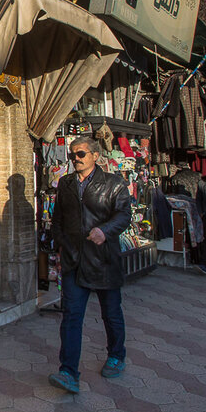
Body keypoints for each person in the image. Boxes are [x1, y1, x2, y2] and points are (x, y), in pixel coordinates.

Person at [48, 137, 132, 394]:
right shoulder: (66, 183)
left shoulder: (114, 184)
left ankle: (116, 355)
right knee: (72, 316)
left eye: (81, 154)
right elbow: (59, 217)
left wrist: (104, 231)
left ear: (95, 155)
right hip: (75, 259)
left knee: (111, 312)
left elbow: (124, 215)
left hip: (103, 259)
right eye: (73, 155)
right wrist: (61, 243)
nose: (76, 159)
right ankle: (68, 371)